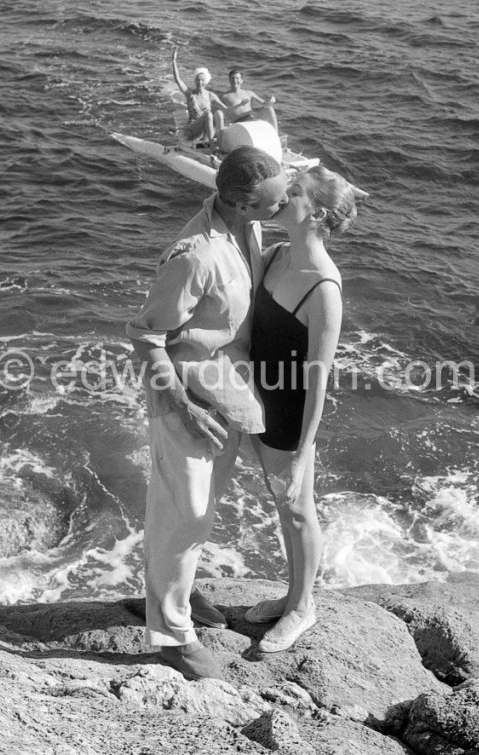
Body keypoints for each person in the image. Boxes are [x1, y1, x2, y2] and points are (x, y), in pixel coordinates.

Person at [126, 145, 288, 680]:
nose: (282, 205)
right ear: (241, 202)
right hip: (188, 398)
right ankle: (172, 638)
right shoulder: (193, 255)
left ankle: (173, 592)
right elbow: (146, 336)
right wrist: (182, 407)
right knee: (185, 513)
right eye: (273, 201)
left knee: (195, 511)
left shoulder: (249, 228)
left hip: (228, 390)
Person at [247, 166, 368, 652]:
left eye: (293, 192)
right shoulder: (277, 254)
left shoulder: (324, 288)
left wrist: (303, 450)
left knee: (298, 509)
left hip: (291, 414)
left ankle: (303, 608)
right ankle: (291, 594)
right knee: (284, 507)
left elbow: (319, 379)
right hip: (260, 403)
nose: (282, 197)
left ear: (315, 214)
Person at [172, 47, 228, 148]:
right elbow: (178, 80)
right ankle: (213, 149)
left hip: (206, 132)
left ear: (206, 81)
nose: (200, 82)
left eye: (202, 80)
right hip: (191, 131)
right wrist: (173, 61)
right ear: (195, 81)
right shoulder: (190, 94)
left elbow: (226, 109)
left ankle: (221, 146)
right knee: (208, 114)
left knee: (219, 113)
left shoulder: (211, 95)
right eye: (198, 80)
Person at [221, 68, 278, 132]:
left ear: (242, 80)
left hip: (252, 120)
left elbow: (264, 104)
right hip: (238, 124)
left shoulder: (249, 93)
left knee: (270, 108)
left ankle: (276, 135)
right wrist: (240, 105)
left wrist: (271, 101)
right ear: (229, 80)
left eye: (237, 78)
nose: (235, 80)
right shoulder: (225, 96)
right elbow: (224, 111)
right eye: (232, 78)